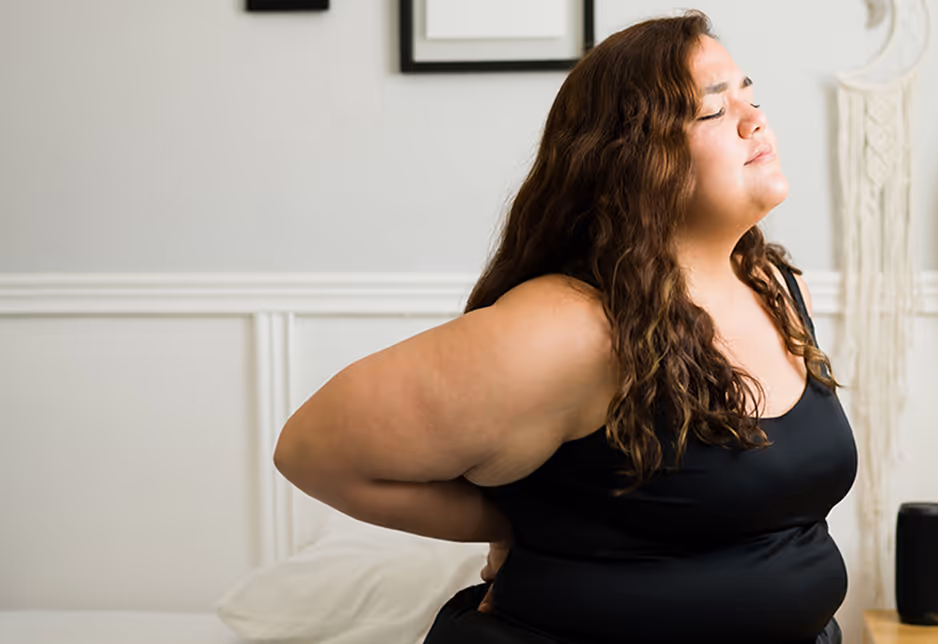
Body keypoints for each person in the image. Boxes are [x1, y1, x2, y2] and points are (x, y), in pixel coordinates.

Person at [273, 10, 855, 644]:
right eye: (713, 111)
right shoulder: (569, 327)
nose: (755, 119)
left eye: (753, 96)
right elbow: (312, 451)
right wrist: (520, 518)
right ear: (634, 158)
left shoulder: (770, 283)